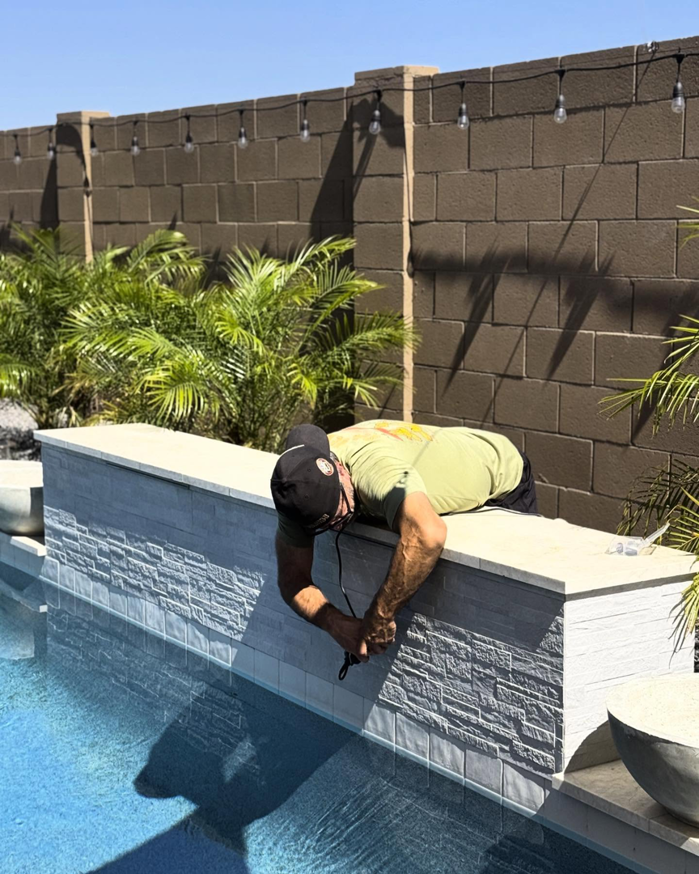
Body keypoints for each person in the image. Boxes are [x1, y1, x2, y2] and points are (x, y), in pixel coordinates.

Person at [270, 419, 537, 664]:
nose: (339, 524)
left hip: (499, 470)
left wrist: (381, 614)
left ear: (338, 469)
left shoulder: (375, 472)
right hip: (442, 449)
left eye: (341, 506)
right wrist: (335, 623)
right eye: (327, 525)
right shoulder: (297, 488)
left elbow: (428, 535)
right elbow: (292, 579)